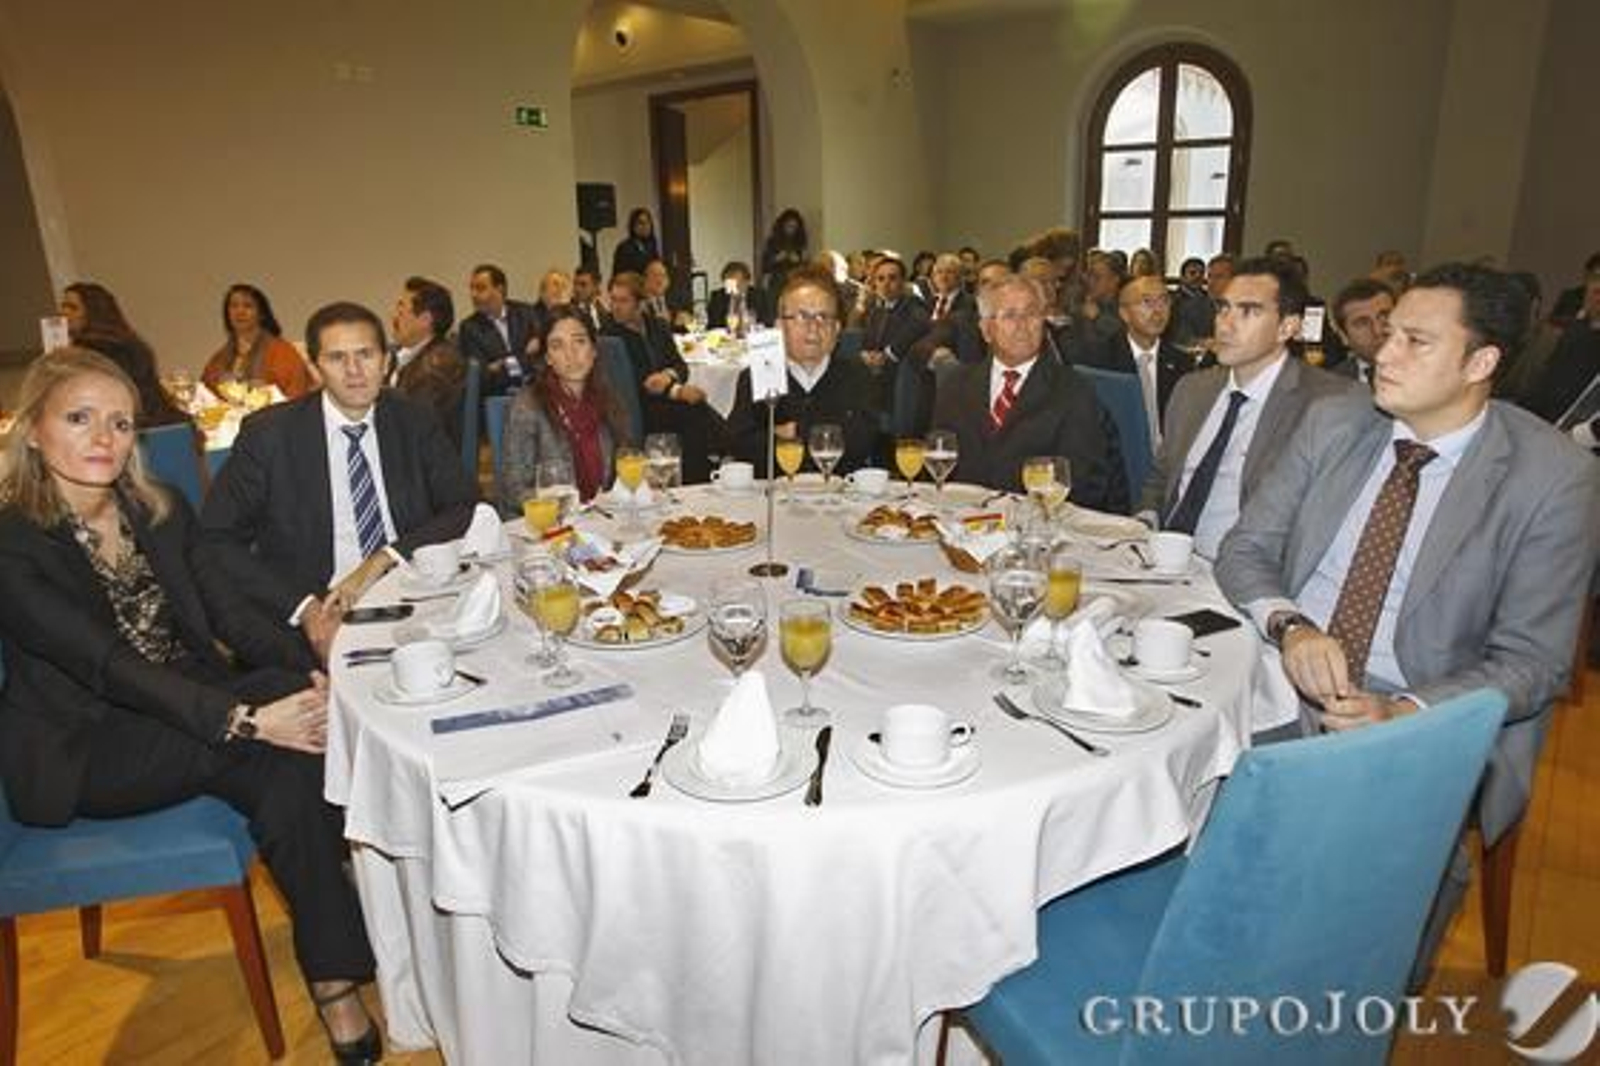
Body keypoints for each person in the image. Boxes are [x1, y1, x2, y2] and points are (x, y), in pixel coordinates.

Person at [1213, 263, 1600, 981]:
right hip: (1279, 668)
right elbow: (1247, 548)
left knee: (1356, 904)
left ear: (1481, 362)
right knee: (1164, 780)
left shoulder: (1550, 477)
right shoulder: (1337, 421)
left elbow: (1535, 660)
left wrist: (1403, 711)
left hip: (1423, 706)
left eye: (1415, 342)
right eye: (1387, 336)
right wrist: (1291, 626)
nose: (1382, 355)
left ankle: (1342, 997)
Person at [0, 348, 381, 1061]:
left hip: (185, 704)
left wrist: (314, 668)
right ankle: (342, 961)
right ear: (33, 431)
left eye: (120, 422)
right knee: (276, 748)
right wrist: (244, 719)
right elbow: (103, 665)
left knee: (294, 736)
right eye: (79, 418)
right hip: (88, 744)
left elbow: (226, 614)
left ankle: (335, 958)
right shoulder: (13, 544)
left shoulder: (157, 510)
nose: (103, 439)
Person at [202, 301, 478, 662]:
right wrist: (304, 609)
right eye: (336, 358)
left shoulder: (413, 420)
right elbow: (215, 538)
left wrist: (382, 559)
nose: (354, 371)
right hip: (315, 609)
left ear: (385, 361)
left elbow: (463, 504)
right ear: (316, 369)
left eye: (365, 354)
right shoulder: (270, 436)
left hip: (413, 595)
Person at [1139, 257, 1354, 559]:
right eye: (1223, 307)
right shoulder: (1192, 389)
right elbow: (1162, 475)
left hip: (1236, 574)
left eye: (1249, 311)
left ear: (1287, 327)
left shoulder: (1322, 407)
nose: (1225, 324)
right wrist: (1144, 520)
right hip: (1164, 562)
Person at [932, 273, 1120, 509]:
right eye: (1010, 315)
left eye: (1031, 314)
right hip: (964, 523)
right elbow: (939, 466)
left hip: (1039, 527)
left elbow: (1084, 484)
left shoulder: (1074, 391)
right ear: (986, 329)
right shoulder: (956, 386)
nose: (1023, 325)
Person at [725, 265, 881, 476]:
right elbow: (741, 445)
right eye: (801, 317)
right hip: (772, 498)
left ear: (836, 330)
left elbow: (861, 444)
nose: (813, 327)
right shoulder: (756, 376)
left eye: (823, 317)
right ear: (780, 327)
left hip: (839, 495)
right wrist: (826, 433)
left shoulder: (857, 375)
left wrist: (791, 432)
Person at [498, 308, 632, 508]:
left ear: (594, 350)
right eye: (557, 346)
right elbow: (514, 490)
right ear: (548, 358)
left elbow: (624, 465)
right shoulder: (527, 406)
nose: (571, 354)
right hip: (550, 526)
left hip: (603, 520)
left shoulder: (608, 399)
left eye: (579, 341)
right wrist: (561, 504)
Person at [603, 273, 719, 483]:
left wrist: (668, 375)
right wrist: (677, 391)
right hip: (637, 408)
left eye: (623, 301)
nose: (615, 307)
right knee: (694, 415)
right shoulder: (610, 336)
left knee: (700, 409)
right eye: (613, 299)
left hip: (664, 400)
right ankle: (700, 478)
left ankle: (710, 467)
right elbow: (637, 382)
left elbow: (680, 366)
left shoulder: (657, 326)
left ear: (640, 304)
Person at [1079, 275, 1193, 450]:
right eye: (1146, 302)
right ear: (1124, 314)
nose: (1158, 311)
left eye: (1164, 301)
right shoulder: (1098, 360)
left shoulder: (1183, 362)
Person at [856, 255, 933, 432]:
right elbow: (866, 342)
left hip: (903, 382)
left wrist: (886, 355)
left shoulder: (914, 306)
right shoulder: (876, 310)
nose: (886, 284)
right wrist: (866, 355)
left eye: (892, 278)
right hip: (875, 377)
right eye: (880, 279)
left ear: (903, 282)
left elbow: (919, 324)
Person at [389, 276, 467, 448]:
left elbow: (409, 426)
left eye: (401, 311)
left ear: (424, 320)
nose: (393, 317)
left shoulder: (438, 365)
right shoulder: (403, 356)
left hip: (425, 467)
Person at [199, 284, 313, 400]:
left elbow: (296, 395)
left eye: (248, 306)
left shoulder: (282, 351)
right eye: (234, 306)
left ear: (262, 314)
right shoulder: (219, 358)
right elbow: (204, 396)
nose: (240, 311)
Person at [458, 263, 539, 397]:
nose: (473, 295)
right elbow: (483, 377)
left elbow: (541, 360)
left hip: (534, 394)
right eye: (472, 288)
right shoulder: (469, 328)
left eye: (480, 288)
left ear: (500, 289)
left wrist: (501, 364)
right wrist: (524, 355)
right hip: (498, 399)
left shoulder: (526, 313)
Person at [1328, 277, 1396, 385]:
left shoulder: (1429, 372)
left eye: (1385, 317)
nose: (1378, 331)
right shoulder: (1329, 384)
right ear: (1343, 336)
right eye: (1363, 323)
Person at [705, 261, 771, 331]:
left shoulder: (759, 296)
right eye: (730, 284)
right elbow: (712, 325)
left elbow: (767, 322)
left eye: (739, 284)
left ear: (747, 282)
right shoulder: (718, 297)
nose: (734, 288)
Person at [60, 282, 138, 341]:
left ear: (94, 313)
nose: (63, 312)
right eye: (63, 306)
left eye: (73, 308)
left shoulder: (101, 348)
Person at [760, 208, 809, 294]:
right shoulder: (773, 241)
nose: (791, 230)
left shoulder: (800, 242)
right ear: (782, 225)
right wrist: (777, 258)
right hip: (776, 280)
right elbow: (765, 264)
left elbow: (806, 264)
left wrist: (798, 260)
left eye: (794, 227)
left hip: (795, 279)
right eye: (789, 226)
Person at [612, 207, 661, 279]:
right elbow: (620, 276)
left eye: (648, 222)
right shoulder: (625, 248)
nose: (645, 226)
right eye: (641, 223)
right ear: (633, 226)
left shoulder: (651, 245)